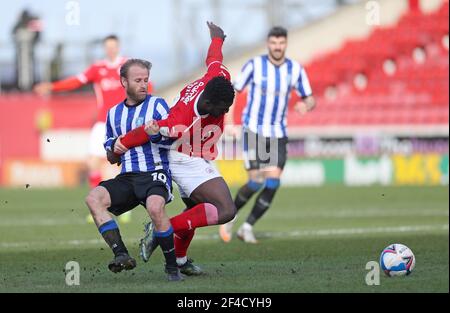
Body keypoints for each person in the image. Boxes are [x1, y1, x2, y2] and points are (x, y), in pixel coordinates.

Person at [111, 22, 236, 275]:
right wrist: (120, 146)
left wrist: (217, 39)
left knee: (195, 211)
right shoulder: (179, 119)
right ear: (208, 101)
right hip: (182, 156)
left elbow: (214, 60)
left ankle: (179, 261)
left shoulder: (219, 79)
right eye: (220, 109)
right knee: (225, 209)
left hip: (199, 152)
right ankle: (160, 229)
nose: (223, 113)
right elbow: (146, 130)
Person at [85, 58, 183, 281]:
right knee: (93, 199)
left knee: (155, 208)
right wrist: (114, 148)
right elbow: (110, 153)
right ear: (123, 82)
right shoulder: (113, 114)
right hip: (128, 176)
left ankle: (172, 268)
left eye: (146, 80)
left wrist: (156, 134)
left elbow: (173, 141)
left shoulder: (157, 105)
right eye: (138, 80)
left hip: (155, 173)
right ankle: (121, 255)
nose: (143, 85)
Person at [219, 26, 316, 244]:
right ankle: (230, 216)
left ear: (286, 44)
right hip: (254, 129)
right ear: (268, 44)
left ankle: (247, 227)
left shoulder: (295, 69)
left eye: (281, 43)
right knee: (255, 182)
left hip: (278, 133)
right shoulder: (255, 65)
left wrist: (306, 105)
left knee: (272, 182)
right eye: (274, 43)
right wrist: (229, 122)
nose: (277, 47)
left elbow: (310, 97)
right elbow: (232, 92)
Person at [34, 35, 145, 223]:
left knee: (125, 165)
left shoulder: (128, 65)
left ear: (118, 47)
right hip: (103, 122)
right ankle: (99, 205)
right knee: (92, 162)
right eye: (107, 46)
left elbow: (146, 86)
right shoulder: (98, 68)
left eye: (113, 46)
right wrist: (52, 86)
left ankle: (125, 207)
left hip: (125, 121)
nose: (111, 49)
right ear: (105, 48)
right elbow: (76, 81)